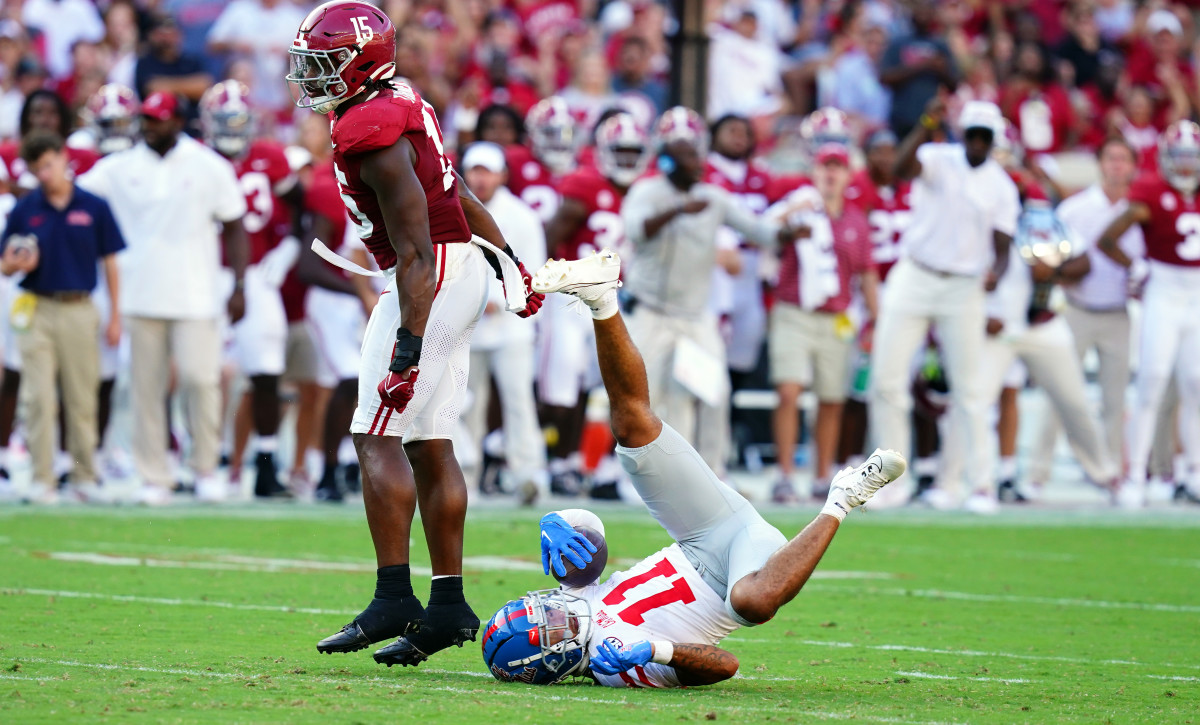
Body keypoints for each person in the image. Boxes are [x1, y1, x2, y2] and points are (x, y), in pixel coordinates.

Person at [478, 249, 906, 687]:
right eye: (548, 626)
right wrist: (654, 649)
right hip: (743, 565)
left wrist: (561, 523)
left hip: (703, 530)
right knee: (752, 602)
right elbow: (725, 664)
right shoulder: (620, 669)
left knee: (632, 426)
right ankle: (843, 499)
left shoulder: (576, 597)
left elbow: (590, 541)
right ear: (555, 660)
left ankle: (601, 298)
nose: (554, 612)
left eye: (540, 609)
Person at [287, 0, 544, 663]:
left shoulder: (370, 126)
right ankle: (450, 605)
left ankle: (394, 595)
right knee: (430, 441)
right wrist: (509, 258)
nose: (312, 78)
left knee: (374, 432)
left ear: (359, 62)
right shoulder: (400, 102)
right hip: (457, 266)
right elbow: (455, 197)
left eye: (323, 64)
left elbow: (414, 247)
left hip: (429, 275)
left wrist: (406, 343)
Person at [78, 91, 249, 505]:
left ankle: (205, 467)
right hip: (139, 295)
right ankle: (155, 475)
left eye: (158, 119)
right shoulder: (119, 167)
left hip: (197, 293)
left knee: (200, 380)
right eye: (146, 119)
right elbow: (75, 194)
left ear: (177, 122)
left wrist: (239, 285)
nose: (149, 126)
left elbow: (234, 224)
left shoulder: (209, 165)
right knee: (146, 389)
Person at [621, 106, 801, 474]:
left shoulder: (713, 198)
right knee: (646, 396)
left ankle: (712, 472)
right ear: (668, 162)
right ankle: (645, 474)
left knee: (714, 390)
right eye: (687, 155)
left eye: (697, 152)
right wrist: (679, 210)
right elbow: (637, 230)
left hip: (694, 314)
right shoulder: (648, 191)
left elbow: (758, 231)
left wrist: (788, 232)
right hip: (650, 310)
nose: (698, 161)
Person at [867, 98, 1019, 512]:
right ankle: (890, 482)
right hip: (915, 273)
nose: (976, 143)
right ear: (960, 133)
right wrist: (926, 121)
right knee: (887, 379)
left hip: (964, 285)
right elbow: (899, 168)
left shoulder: (1002, 186)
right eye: (971, 134)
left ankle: (982, 484)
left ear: (993, 141)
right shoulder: (936, 156)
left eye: (984, 137)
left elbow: (1003, 247)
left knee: (970, 389)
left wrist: (997, 274)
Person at [0, 131, 123, 504]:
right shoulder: (25, 209)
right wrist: (14, 263)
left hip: (79, 306)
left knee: (81, 396)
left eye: (49, 164)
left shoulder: (94, 205)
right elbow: (5, 264)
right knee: (38, 397)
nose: (45, 174)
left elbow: (111, 261)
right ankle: (42, 478)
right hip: (37, 306)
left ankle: (84, 474)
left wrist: (115, 314)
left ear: (62, 157)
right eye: (37, 169)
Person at [540, 113, 650, 496]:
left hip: (612, 301)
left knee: (599, 385)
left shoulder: (646, 191)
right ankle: (556, 460)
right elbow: (551, 236)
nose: (626, 159)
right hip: (572, 298)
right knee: (563, 385)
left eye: (633, 152)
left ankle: (587, 465)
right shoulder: (586, 185)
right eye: (620, 151)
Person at [200, 79, 300, 500]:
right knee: (204, 372)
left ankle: (265, 465)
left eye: (239, 120)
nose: (233, 128)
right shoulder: (196, 160)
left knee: (266, 370)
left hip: (257, 274)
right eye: (225, 120)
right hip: (204, 273)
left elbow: (302, 211)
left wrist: (289, 249)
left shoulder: (270, 158)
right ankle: (206, 460)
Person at [766, 142, 878, 503]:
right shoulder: (798, 208)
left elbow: (866, 273)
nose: (830, 173)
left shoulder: (857, 220)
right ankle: (784, 473)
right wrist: (789, 215)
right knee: (789, 391)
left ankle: (820, 474)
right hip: (794, 311)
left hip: (836, 317)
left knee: (831, 398)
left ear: (847, 175)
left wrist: (876, 319)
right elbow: (762, 233)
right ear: (815, 171)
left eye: (837, 167)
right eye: (825, 166)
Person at [1096, 120, 1200, 506]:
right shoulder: (1152, 191)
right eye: (1181, 158)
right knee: (1152, 379)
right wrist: (1136, 266)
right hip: (1165, 292)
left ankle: (1193, 473)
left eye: (1193, 158)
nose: (1187, 167)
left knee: (1195, 384)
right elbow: (1107, 237)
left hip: (1197, 295)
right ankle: (1135, 474)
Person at [1030, 138, 1143, 490]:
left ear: (1132, 167)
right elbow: (1048, 256)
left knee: (1115, 398)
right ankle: (1037, 473)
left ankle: (1108, 474)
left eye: (1123, 159)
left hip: (1118, 313)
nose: (1116, 166)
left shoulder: (1140, 211)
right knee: (1059, 393)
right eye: (1111, 158)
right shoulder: (1075, 209)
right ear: (1100, 163)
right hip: (1076, 309)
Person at [460, 141, 548, 504]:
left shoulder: (522, 216)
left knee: (518, 401)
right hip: (466, 325)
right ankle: (464, 477)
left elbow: (534, 269)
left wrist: (501, 300)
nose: (480, 179)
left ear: (502, 175)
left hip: (512, 327)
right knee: (464, 404)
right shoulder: (453, 209)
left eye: (487, 171)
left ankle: (529, 475)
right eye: (474, 171)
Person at [878, 0, 955, 138]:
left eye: (926, 11)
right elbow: (885, 77)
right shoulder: (898, 43)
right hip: (901, 119)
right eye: (919, 11)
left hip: (930, 119)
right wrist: (924, 66)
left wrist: (940, 70)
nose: (923, 15)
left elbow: (954, 84)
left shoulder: (940, 45)